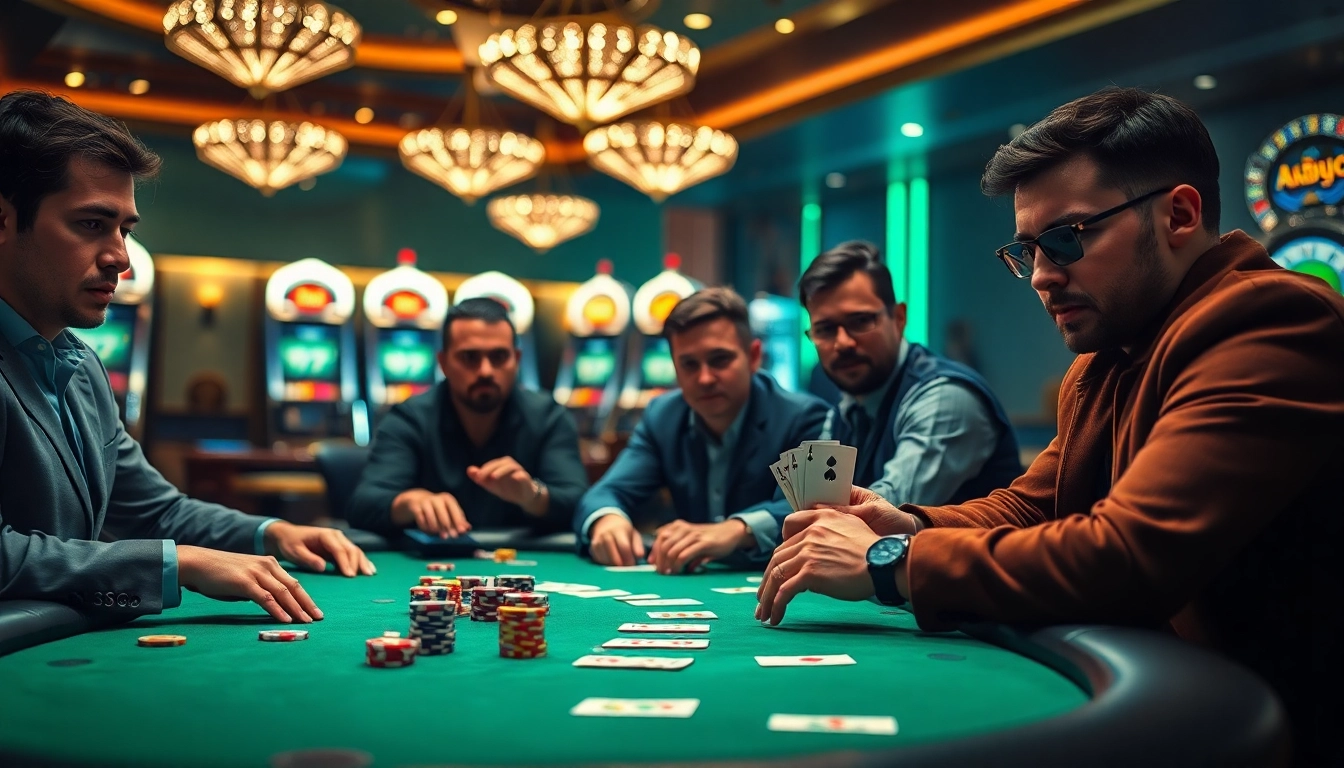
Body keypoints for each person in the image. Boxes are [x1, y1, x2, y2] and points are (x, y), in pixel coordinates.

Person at [756, 87, 1343, 766]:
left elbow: (1126, 555)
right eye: (1026, 251)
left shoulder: (1268, 321)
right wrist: (906, 525)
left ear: (1179, 214)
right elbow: (1032, 503)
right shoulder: (1108, 357)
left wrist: (888, 564)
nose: (1040, 276)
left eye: (1065, 240)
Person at [0, 90, 374, 626]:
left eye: (124, 230)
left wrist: (271, 533)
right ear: (4, 221)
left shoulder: (80, 367)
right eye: (90, 225)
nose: (120, 258)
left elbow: (156, 511)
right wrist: (179, 564)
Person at [576, 287, 837, 573]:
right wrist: (607, 519)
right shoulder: (662, 416)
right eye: (689, 364)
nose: (704, 378)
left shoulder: (808, 417)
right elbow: (604, 494)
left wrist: (736, 529)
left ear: (753, 356)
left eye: (719, 360)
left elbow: (816, 510)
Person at [801, 242, 1022, 506]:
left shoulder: (945, 398)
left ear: (899, 318)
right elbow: (812, 503)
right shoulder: (846, 408)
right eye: (825, 329)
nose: (842, 343)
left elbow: (883, 512)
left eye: (860, 321)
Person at [348, 298, 588, 538]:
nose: (485, 371)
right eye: (469, 357)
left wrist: (533, 496)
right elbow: (363, 505)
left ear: (516, 359)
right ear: (443, 363)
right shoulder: (409, 418)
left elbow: (578, 502)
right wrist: (410, 502)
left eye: (499, 357)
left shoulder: (549, 418)